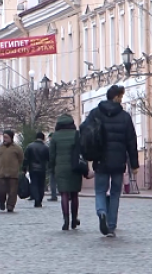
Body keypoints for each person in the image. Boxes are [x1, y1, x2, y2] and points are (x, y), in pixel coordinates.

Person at [80, 84, 139, 238]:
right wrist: (134, 164)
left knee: (100, 190)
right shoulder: (125, 117)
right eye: (121, 96)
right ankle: (111, 225)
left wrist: (88, 153)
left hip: (101, 159)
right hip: (119, 161)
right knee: (114, 193)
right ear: (116, 97)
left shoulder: (95, 114)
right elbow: (131, 141)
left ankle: (101, 212)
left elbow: (84, 131)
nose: (122, 99)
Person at [49, 114, 85, 230]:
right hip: (75, 167)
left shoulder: (55, 137)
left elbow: (52, 155)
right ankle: (74, 219)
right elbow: (82, 150)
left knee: (64, 194)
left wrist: (51, 168)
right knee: (74, 194)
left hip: (60, 168)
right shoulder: (76, 134)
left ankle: (66, 220)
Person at [0, 130, 24, 212]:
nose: (5, 139)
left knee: (12, 192)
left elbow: (21, 159)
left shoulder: (17, 148)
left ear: (11, 138)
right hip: (1, 173)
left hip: (13, 174)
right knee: (1, 191)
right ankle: (1, 201)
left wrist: (15, 167)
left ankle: (10, 205)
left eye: (6, 137)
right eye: (4, 137)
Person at [23, 132, 50, 207]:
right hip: (42, 169)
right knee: (41, 185)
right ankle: (39, 200)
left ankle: (36, 198)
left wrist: (24, 168)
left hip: (33, 169)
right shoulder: (45, 147)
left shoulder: (30, 146)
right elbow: (49, 158)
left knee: (34, 184)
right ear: (43, 138)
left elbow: (26, 159)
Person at [47, 132, 59, 202]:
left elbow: (51, 156)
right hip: (60, 164)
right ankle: (68, 195)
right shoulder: (59, 144)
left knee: (53, 181)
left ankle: (54, 196)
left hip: (53, 166)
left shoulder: (51, 145)